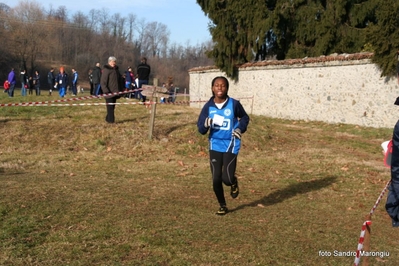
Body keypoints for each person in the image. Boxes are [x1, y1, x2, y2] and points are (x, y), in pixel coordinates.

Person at [197, 76, 250, 215]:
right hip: (215, 144)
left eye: (223, 85)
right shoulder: (208, 106)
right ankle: (222, 205)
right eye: (216, 85)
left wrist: (240, 129)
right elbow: (201, 129)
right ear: (212, 88)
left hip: (231, 143)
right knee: (216, 179)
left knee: (226, 178)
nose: (219, 88)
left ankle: (233, 182)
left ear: (227, 88)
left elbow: (245, 118)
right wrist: (205, 124)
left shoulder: (234, 104)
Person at [100, 56, 122, 123]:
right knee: (110, 108)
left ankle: (107, 119)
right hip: (108, 92)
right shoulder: (106, 70)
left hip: (115, 92)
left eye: (115, 62)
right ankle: (111, 122)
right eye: (112, 62)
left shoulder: (116, 70)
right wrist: (106, 91)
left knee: (112, 107)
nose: (114, 63)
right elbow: (103, 82)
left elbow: (119, 80)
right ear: (109, 62)